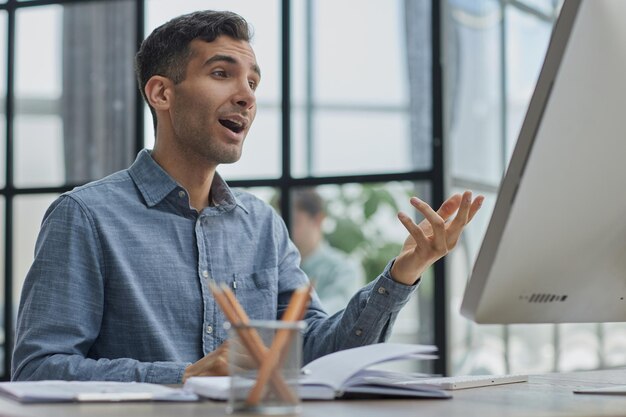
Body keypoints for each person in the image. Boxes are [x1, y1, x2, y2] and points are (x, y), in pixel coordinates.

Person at [11, 10, 483, 384]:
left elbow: (311, 352)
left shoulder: (261, 224)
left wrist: (403, 272)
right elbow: (37, 370)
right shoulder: (86, 216)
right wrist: (184, 377)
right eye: (222, 73)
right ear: (162, 93)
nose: (246, 96)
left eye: (253, 82)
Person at [291, 188, 364, 315]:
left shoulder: (344, 269)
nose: (286, 229)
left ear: (318, 220)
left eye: (295, 222)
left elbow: (331, 318)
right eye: (282, 222)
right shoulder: (277, 268)